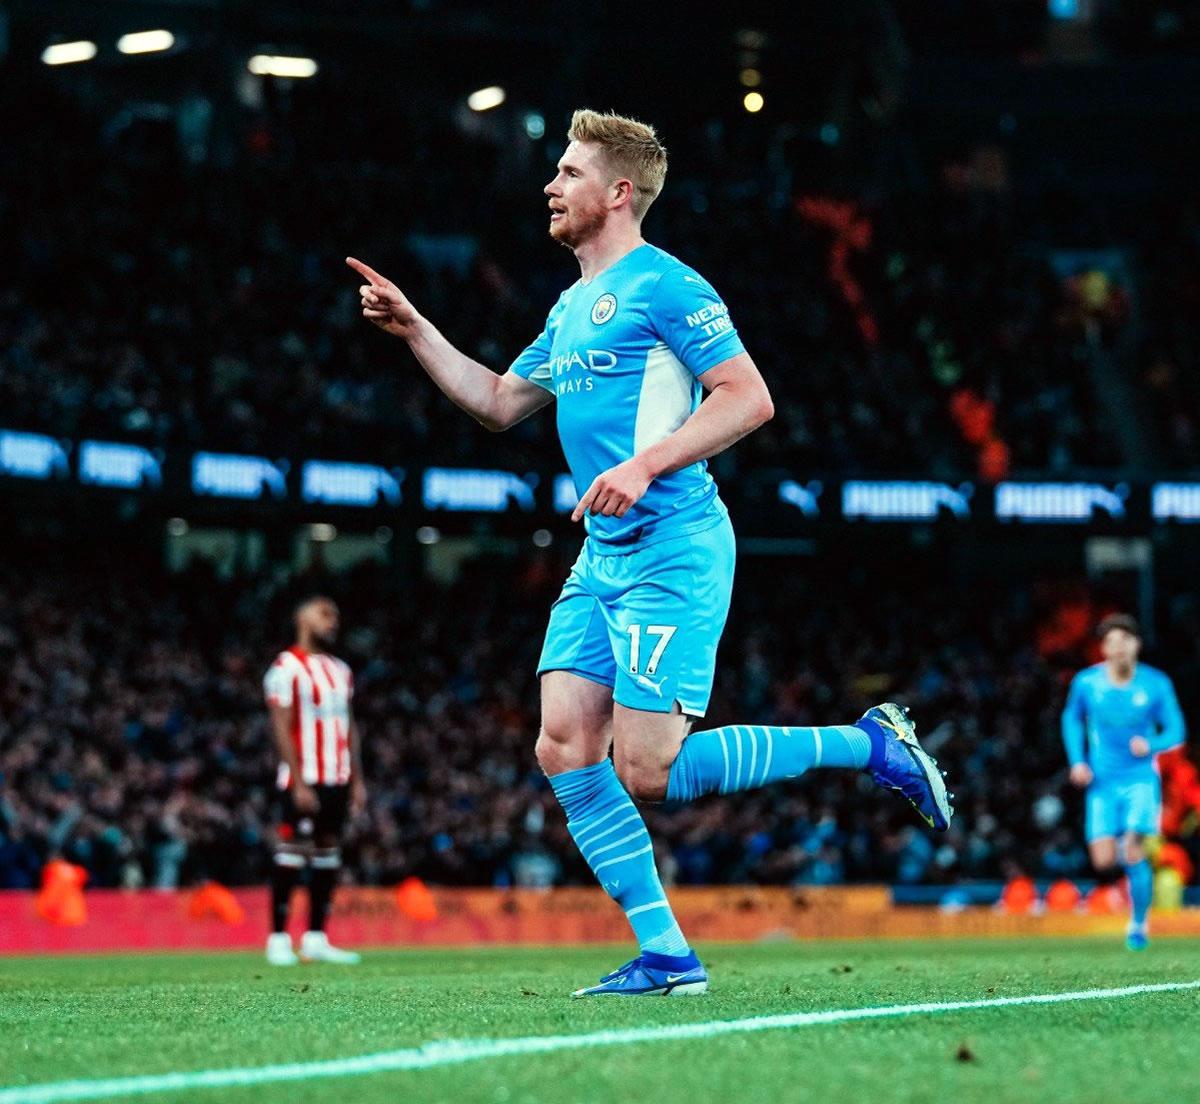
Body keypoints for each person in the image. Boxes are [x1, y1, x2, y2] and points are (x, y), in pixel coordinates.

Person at [347, 109, 952, 996]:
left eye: (568, 172)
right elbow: (498, 401)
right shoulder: (567, 308)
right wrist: (415, 329)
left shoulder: (669, 286)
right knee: (563, 745)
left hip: (675, 544)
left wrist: (645, 462)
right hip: (603, 554)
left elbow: (749, 398)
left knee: (649, 768)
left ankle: (868, 745)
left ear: (618, 191)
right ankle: (667, 953)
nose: (550, 185)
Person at [1062, 614, 1186, 949]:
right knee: (1103, 860)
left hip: (1140, 780)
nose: (1118, 648)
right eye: (1110, 642)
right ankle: (1131, 865)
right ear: (1103, 648)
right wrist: (1077, 761)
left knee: (1131, 850)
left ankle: (1139, 924)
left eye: (1124, 641)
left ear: (1136, 645)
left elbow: (1177, 729)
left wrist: (1153, 744)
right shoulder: (1087, 683)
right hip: (1101, 783)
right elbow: (1071, 718)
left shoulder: (1156, 684)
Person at [262, 596, 367, 965]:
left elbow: (349, 725)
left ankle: (316, 937)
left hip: (337, 774)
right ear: (302, 619)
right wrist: (299, 780)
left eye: (335, 615)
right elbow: (280, 725)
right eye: (324, 614)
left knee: (328, 851)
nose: (333, 621)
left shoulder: (341, 670)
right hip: (304, 775)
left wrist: (357, 779)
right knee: (292, 851)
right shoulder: (285, 667)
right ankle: (277, 938)